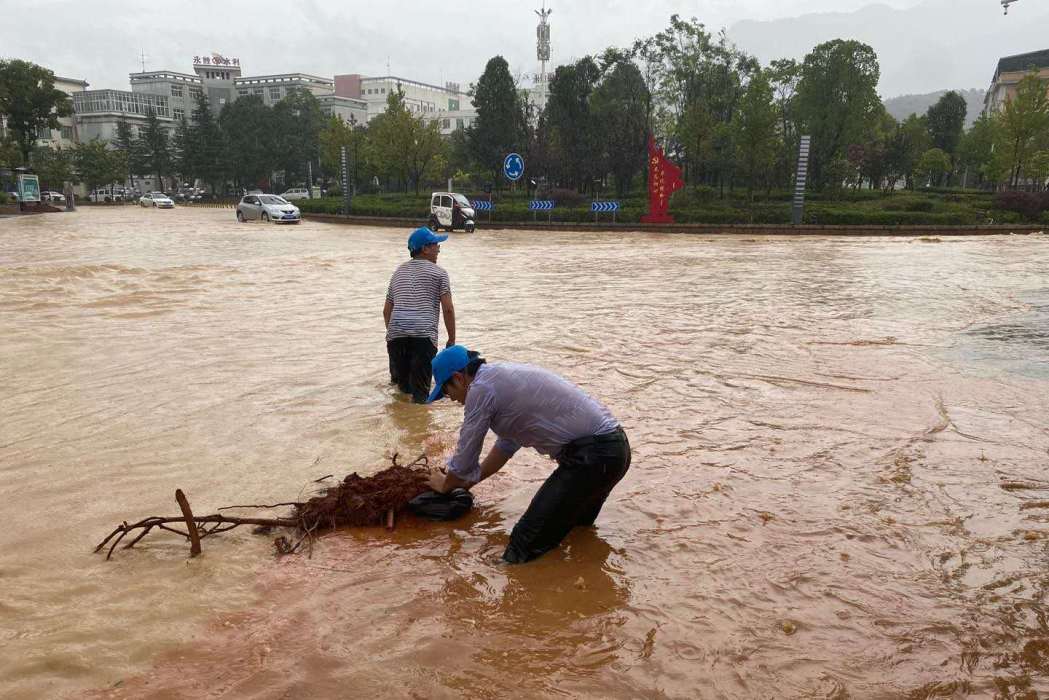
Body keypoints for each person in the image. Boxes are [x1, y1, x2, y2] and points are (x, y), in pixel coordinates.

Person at [425, 345, 630, 563]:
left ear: (459, 378)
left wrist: (447, 483)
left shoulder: (480, 389)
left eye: (447, 392)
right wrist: (467, 484)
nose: (452, 399)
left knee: (523, 544)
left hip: (592, 458)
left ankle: (523, 590)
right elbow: (505, 447)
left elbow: (466, 452)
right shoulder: (499, 380)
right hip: (615, 452)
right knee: (576, 533)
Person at [383, 227, 456, 403]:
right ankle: (419, 428)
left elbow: (386, 310)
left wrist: (397, 333)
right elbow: (448, 309)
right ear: (425, 249)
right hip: (423, 337)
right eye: (436, 245)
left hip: (396, 337)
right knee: (420, 396)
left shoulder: (398, 272)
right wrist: (451, 339)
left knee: (402, 392)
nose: (438, 249)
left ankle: (400, 426)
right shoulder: (439, 273)